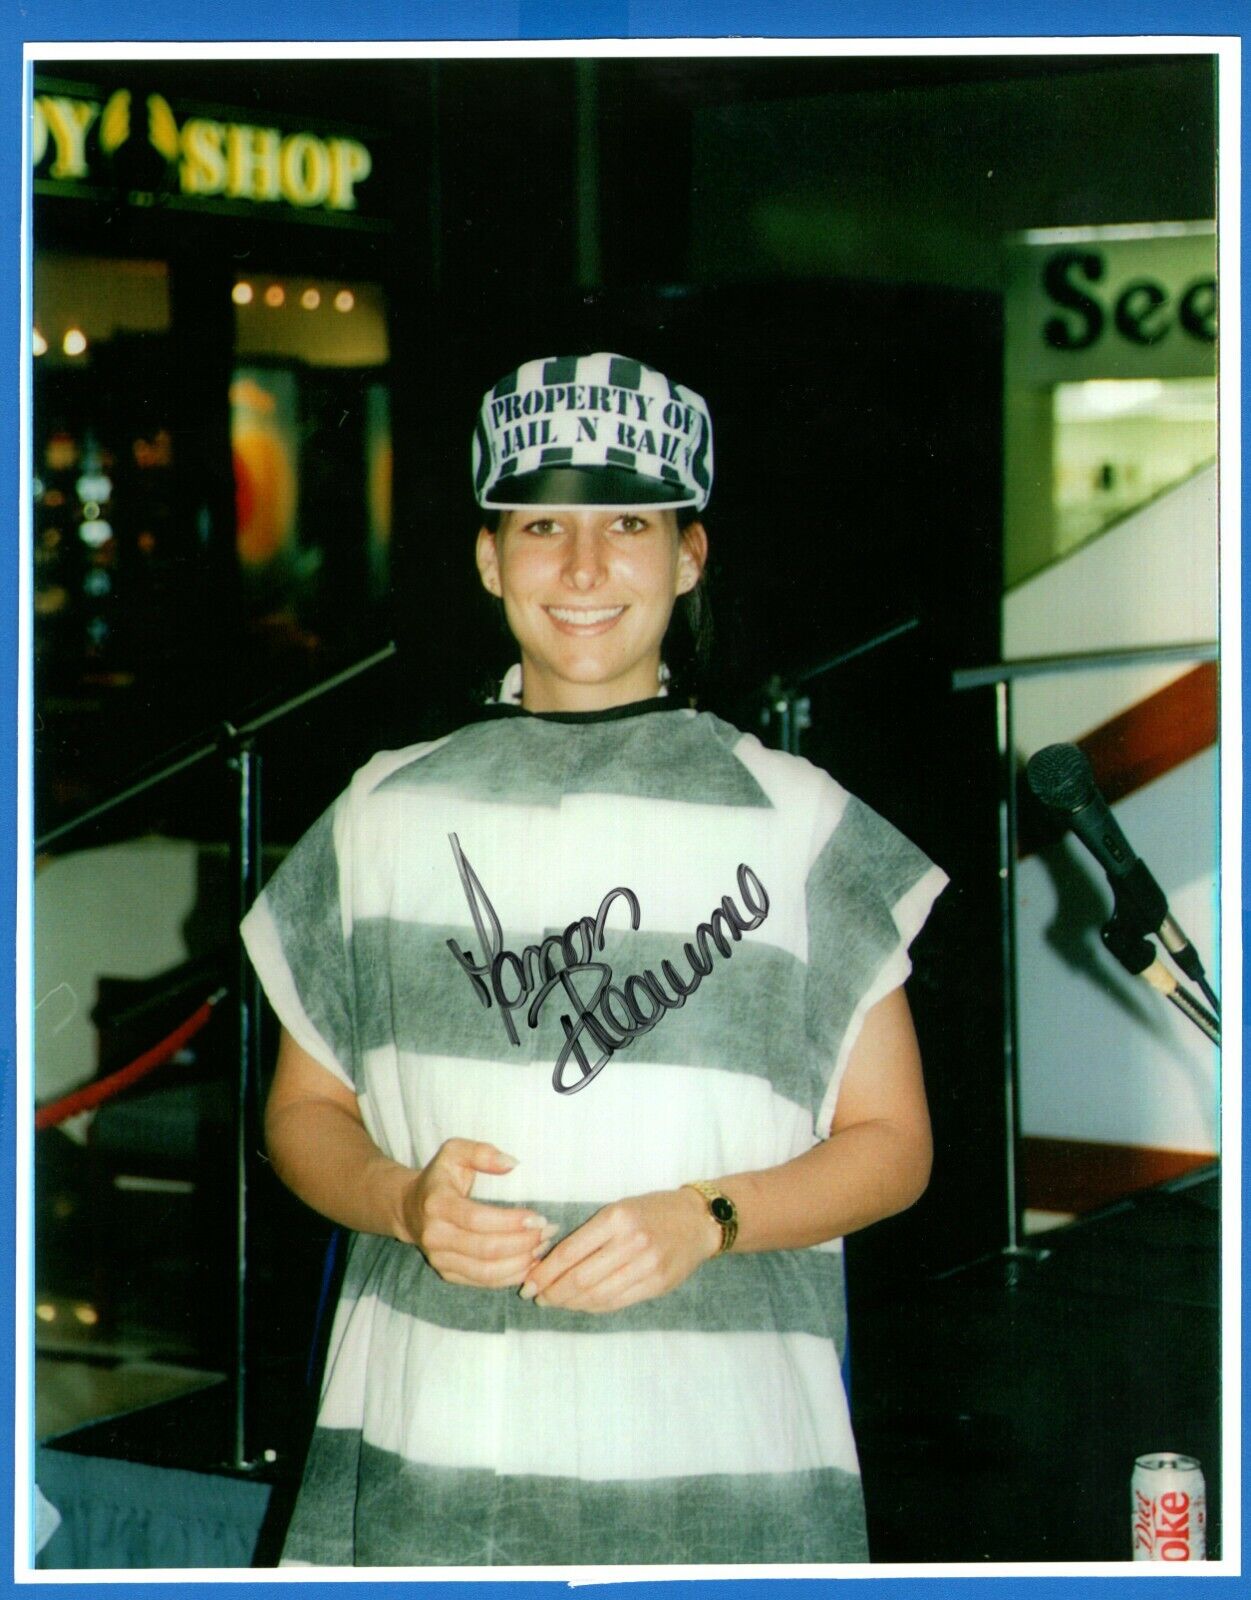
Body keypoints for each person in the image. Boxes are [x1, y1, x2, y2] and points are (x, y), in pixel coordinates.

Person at [241, 351, 947, 1567]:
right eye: (539, 526)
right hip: (435, 1442)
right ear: (487, 558)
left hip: (721, 1458)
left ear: (689, 554)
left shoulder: (801, 821)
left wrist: (708, 1216)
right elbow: (305, 1118)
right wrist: (403, 1201)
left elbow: (895, 1148)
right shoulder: (381, 815)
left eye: (627, 520)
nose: (581, 568)